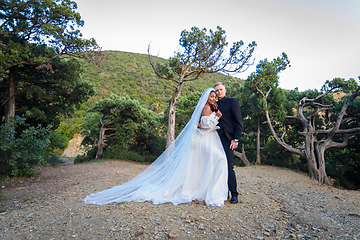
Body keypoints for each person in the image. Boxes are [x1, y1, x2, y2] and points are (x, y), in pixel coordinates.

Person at [82, 88, 228, 207]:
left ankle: (206, 189)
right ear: (206, 98)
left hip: (207, 139)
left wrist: (214, 116)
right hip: (204, 140)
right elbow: (205, 124)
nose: (214, 98)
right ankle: (210, 191)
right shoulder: (205, 108)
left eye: (215, 96)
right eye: (212, 96)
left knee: (208, 164)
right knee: (219, 159)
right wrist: (217, 117)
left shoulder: (209, 107)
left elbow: (202, 124)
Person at [214, 82, 243, 204]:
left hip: (228, 139)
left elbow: (238, 121)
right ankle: (222, 192)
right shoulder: (213, 104)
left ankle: (234, 194)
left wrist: (235, 139)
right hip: (215, 138)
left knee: (229, 166)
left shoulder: (232, 101)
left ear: (225, 90)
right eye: (217, 90)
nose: (219, 92)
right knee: (217, 166)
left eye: (221, 89)